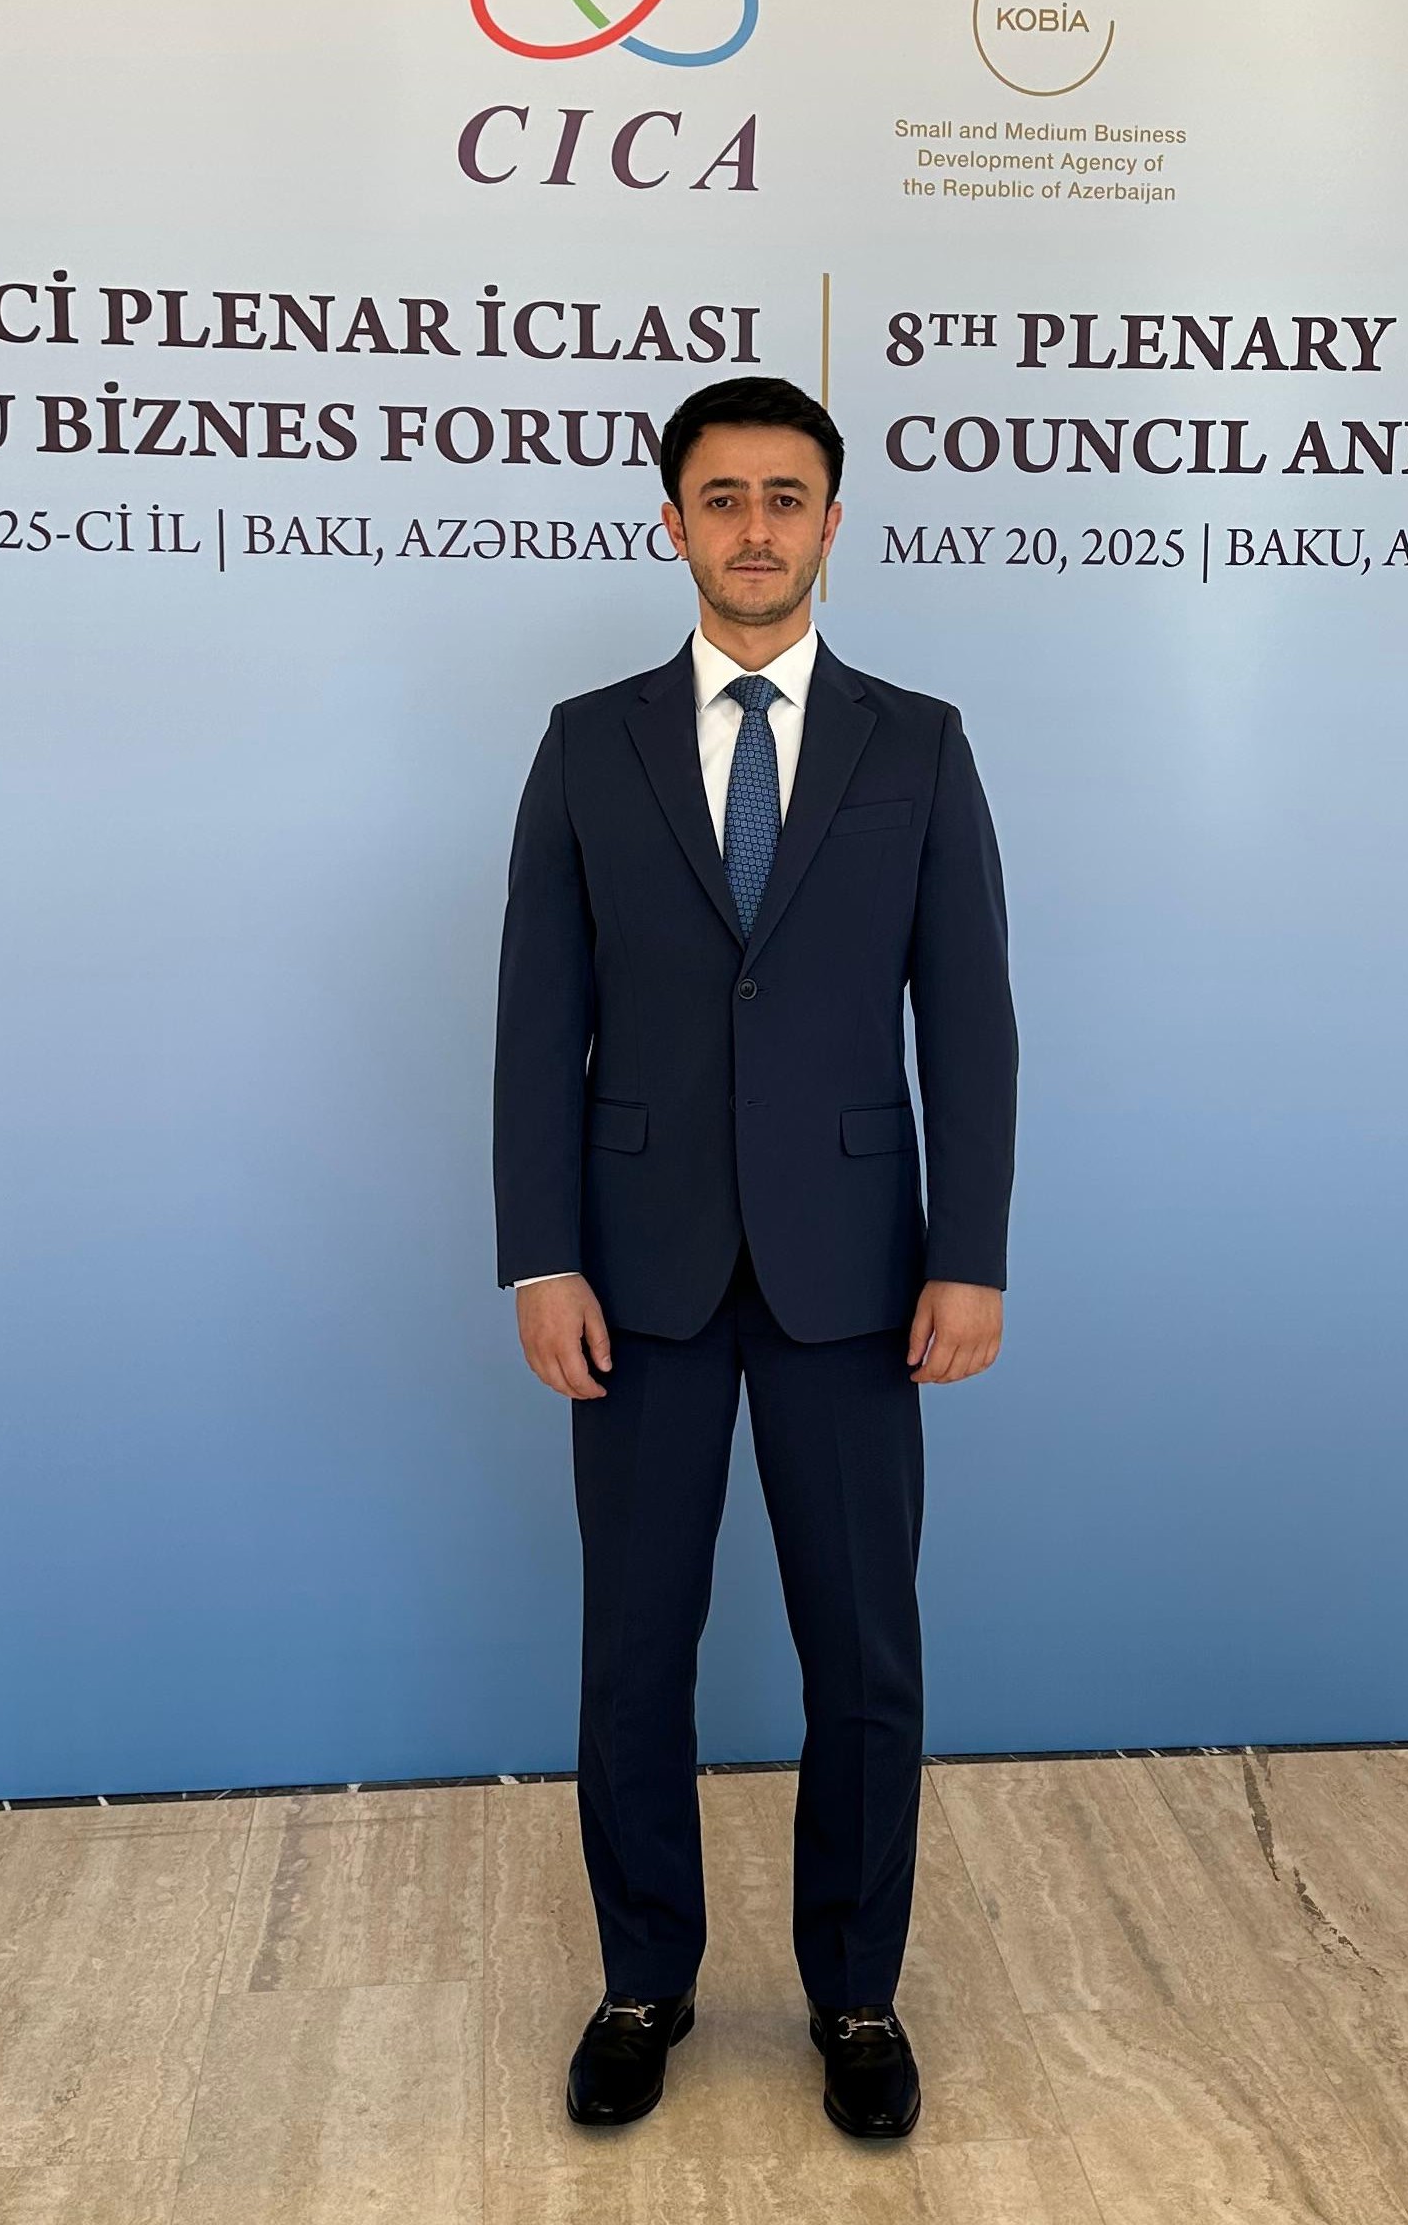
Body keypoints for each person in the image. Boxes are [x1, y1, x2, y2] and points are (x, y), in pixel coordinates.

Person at [493, 373, 1018, 2141]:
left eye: (787, 497)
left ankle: (856, 1994)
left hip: (856, 1279)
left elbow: (972, 1020)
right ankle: (644, 1981)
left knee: (864, 1652)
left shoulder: (918, 743)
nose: (755, 527)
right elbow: (535, 1021)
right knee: (634, 1649)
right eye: (721, 498)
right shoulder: (587, 742)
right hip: (634, 1278)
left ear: (833, 523)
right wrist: (538, 1256)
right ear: (673, 523)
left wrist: (971, 1251)